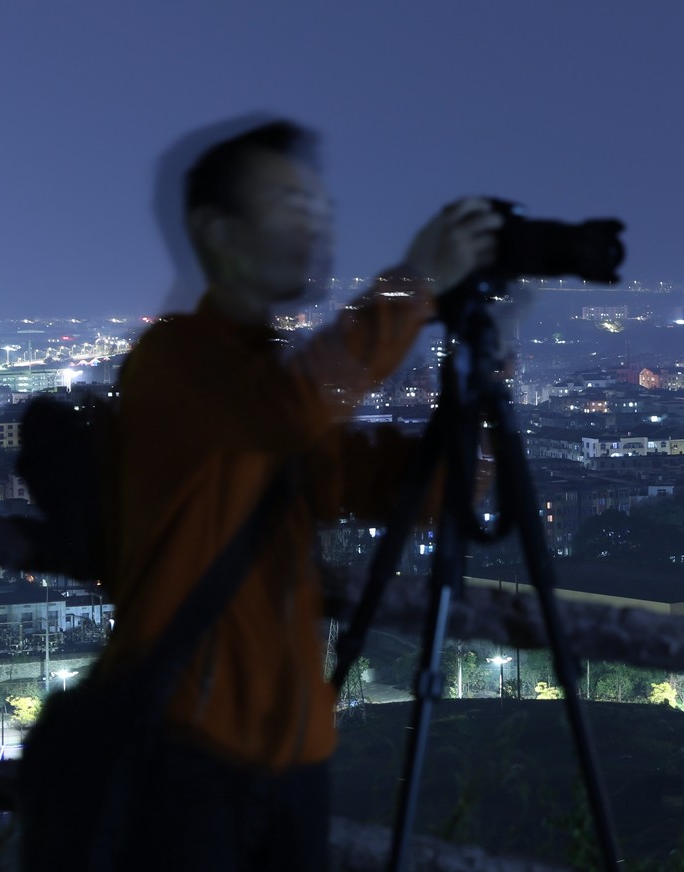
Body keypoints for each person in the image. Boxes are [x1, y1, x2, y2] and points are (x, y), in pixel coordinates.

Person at [95, 118, 501, 868]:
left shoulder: (266, 378)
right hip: (191, 748)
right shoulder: (175, 364)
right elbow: (288, 413)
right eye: (290, 206)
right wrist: (411, 288)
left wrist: (479, 391)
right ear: (216, 230)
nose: (316, 226)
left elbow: (381, 482)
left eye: (321, 208)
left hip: (291, 753)